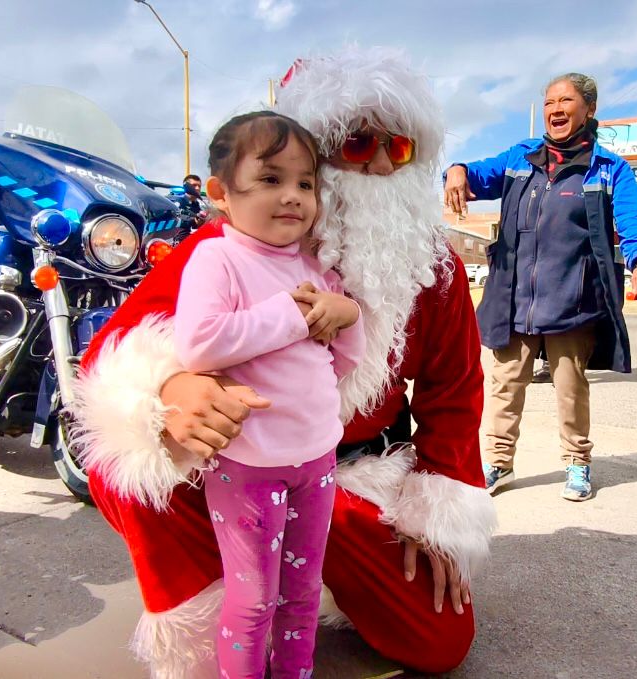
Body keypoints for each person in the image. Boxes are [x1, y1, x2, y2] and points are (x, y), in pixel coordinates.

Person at [70, 48, 494, 677]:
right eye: (356, 144)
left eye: (398, 147)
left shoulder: (434, 266)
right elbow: (116, 352)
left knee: (437, 643)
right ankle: (220, 618)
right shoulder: (225, 245)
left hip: (352, 479)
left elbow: (454, 389)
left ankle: (308, 579)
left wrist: (434, 516)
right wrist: (175, 386)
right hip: (244, 463)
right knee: (129, 463)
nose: (379, 163)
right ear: (317, 153)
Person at [174, 111, 365, 678]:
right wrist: (295, 316)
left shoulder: (314, 267)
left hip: (317, 458)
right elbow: (199, 344)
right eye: (271, 179)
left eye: (305, 183)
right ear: (221, 194)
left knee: (304, 591)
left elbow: (345, 360)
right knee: (254, 597)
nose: (294, 197)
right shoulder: (218, 257)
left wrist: (345, 312)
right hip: (250, 464)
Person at [444, 72, 637, 501]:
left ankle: (578, 463)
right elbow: (475, 174)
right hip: (514, 296)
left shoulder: (608, 168)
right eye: (549, 102)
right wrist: (455, 171)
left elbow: (633, 221)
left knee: (570, 385)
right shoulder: (519, 158)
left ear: (589, 110)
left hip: (573, 296)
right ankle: (499, 463)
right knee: (505, 384)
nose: (555, 110)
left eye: (565, 101)